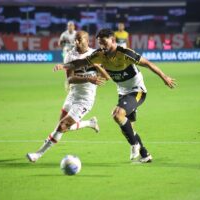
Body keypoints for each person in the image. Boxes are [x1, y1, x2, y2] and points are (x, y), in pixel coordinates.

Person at [54, 29, 177, 163]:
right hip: (122, 93)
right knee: (129, 127)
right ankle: (145, 154)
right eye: (100, 43)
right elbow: (80, 63)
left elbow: (147, 63)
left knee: (117, 115)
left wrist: (164, 77)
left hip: (137, 90)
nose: (102, 46)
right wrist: (64, 65)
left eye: (104, 42)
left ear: (113, 40)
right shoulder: (99, 54)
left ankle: (134, 144)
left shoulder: (125, 53)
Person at [27, 31, 110, 162]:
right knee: (64, 127)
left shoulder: (96, 54)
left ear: (87, 41)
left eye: (79, 40)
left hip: (85, 99)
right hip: (72, 95)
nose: (76, 42)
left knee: (62, 125)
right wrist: (89, 78)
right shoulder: (70, 55)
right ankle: (90, 123)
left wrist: (97, 67)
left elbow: (107, 77)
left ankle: (38, 154)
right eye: (75, 40)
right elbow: (70, 79)